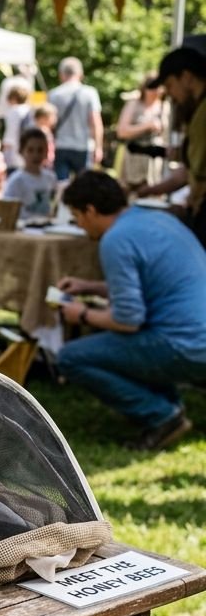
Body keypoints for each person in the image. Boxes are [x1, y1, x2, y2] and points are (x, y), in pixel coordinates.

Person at [56, 171, 206, 451]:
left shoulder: (116, 239)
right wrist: (89, 287)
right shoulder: (155, 219)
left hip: (186, 346)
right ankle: (169, 405)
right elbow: (150, 285)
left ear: (90, 210)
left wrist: (82, 314)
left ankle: (162, 416)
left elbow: (128, 320)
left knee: (71, 357)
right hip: (196, 336)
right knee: (135, 343)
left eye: (76, 216)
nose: (79, 225)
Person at [138, 47, 206, 246]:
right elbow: (190, 170)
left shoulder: (202, 114)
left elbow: (198, 172)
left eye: (169, 85)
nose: (169, 93)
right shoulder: (198, 111)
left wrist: (192, 204)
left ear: (186, 77)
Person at [48, 57, 103, 180]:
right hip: (83, 147)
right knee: (84, 184)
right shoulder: (90, 93)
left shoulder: (54, 94)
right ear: (80, 74)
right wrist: (98, 147)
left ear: (61, 74)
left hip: (61, 146)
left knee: (62, 185)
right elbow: (95, 122)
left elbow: (49, 124)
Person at [116, 76, 166, 193]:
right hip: (135, 158)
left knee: (154, 191)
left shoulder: (164, 106)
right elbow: (122, 132)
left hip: (155, 160)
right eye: (152, 88)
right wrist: (147, 126)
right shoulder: (134, 104)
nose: (155, 91)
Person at [3, 128, 58, 219]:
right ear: (21, 151)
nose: (35, 155)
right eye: (30, 150)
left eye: (40, 150)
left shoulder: (51, 178)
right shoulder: (16, 180)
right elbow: (8, 209)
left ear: (46, 151)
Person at [1, 82, 31, 173]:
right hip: (27, 152)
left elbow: (10, 134)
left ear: (13, 98)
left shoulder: (14, 111)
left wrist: (4, 149)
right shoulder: (29, 110)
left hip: (15, 153)